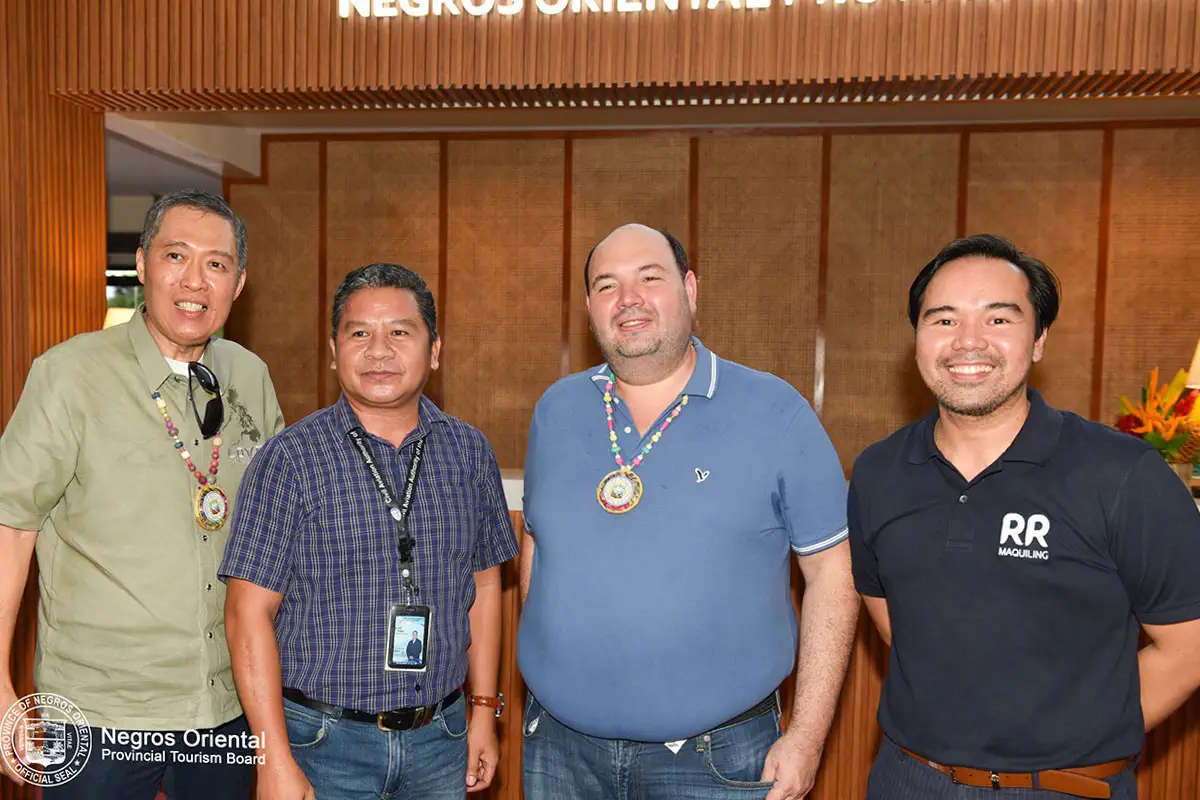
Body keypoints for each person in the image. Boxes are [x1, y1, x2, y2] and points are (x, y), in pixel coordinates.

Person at [849, 234, 1200, 799]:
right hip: (906, 778)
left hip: (1065, 788)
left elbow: (1189, 647)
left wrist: (1079, 743)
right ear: (916, 339)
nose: (968, 342)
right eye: (942, 320)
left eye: (998, 320)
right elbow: (896, 620)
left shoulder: (1120, 473)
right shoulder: (879, 472)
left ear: (1038, 341)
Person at [518, 224, 858, 800]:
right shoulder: (556, 410)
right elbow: (537, 543)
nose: (628, 299)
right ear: (589, 308)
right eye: (607, 285)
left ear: (690, 289)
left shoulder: (777, 413)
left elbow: (833, 574)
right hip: (558, 750)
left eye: (649, 278)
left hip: (718, 760)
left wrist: (806, 735)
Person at [0, 189, 285, 798]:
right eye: (175, 256)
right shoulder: (69, 375)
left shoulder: (249, 377)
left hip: (223, 706)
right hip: (100, 711)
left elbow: (274, 535)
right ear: (141, 264)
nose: (194, 281)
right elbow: (12, 527)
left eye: (217, 263)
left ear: (239, 283)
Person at [221, 263, 519, 800]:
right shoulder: (288, 460)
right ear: (334, 351)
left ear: (433, 350)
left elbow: (485, 588)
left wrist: (482, 712)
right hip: (320, 743)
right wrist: (272, 759)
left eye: (399, 333)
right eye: (359, 333)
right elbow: (247, 614)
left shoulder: (469, 452)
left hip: (442, 737)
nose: (378, 351)